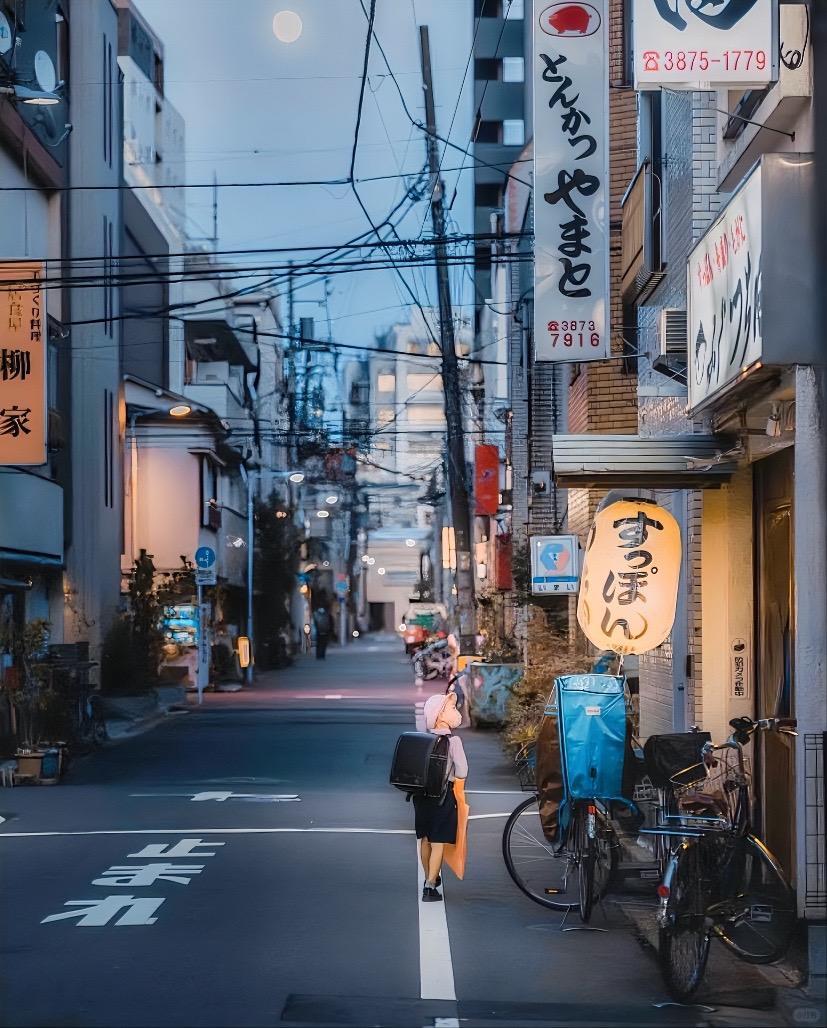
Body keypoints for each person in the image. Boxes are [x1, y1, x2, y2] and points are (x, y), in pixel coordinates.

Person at [415, 692, 468, 902]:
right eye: (451, 709)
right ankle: (430, 886)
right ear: (441, 715)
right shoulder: (453, 741)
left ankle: (429, 877)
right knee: (438, 842)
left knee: (425, 839)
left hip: (420, 796)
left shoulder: (422, 740)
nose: (456, 713)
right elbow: (462, 771)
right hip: (442, 795)